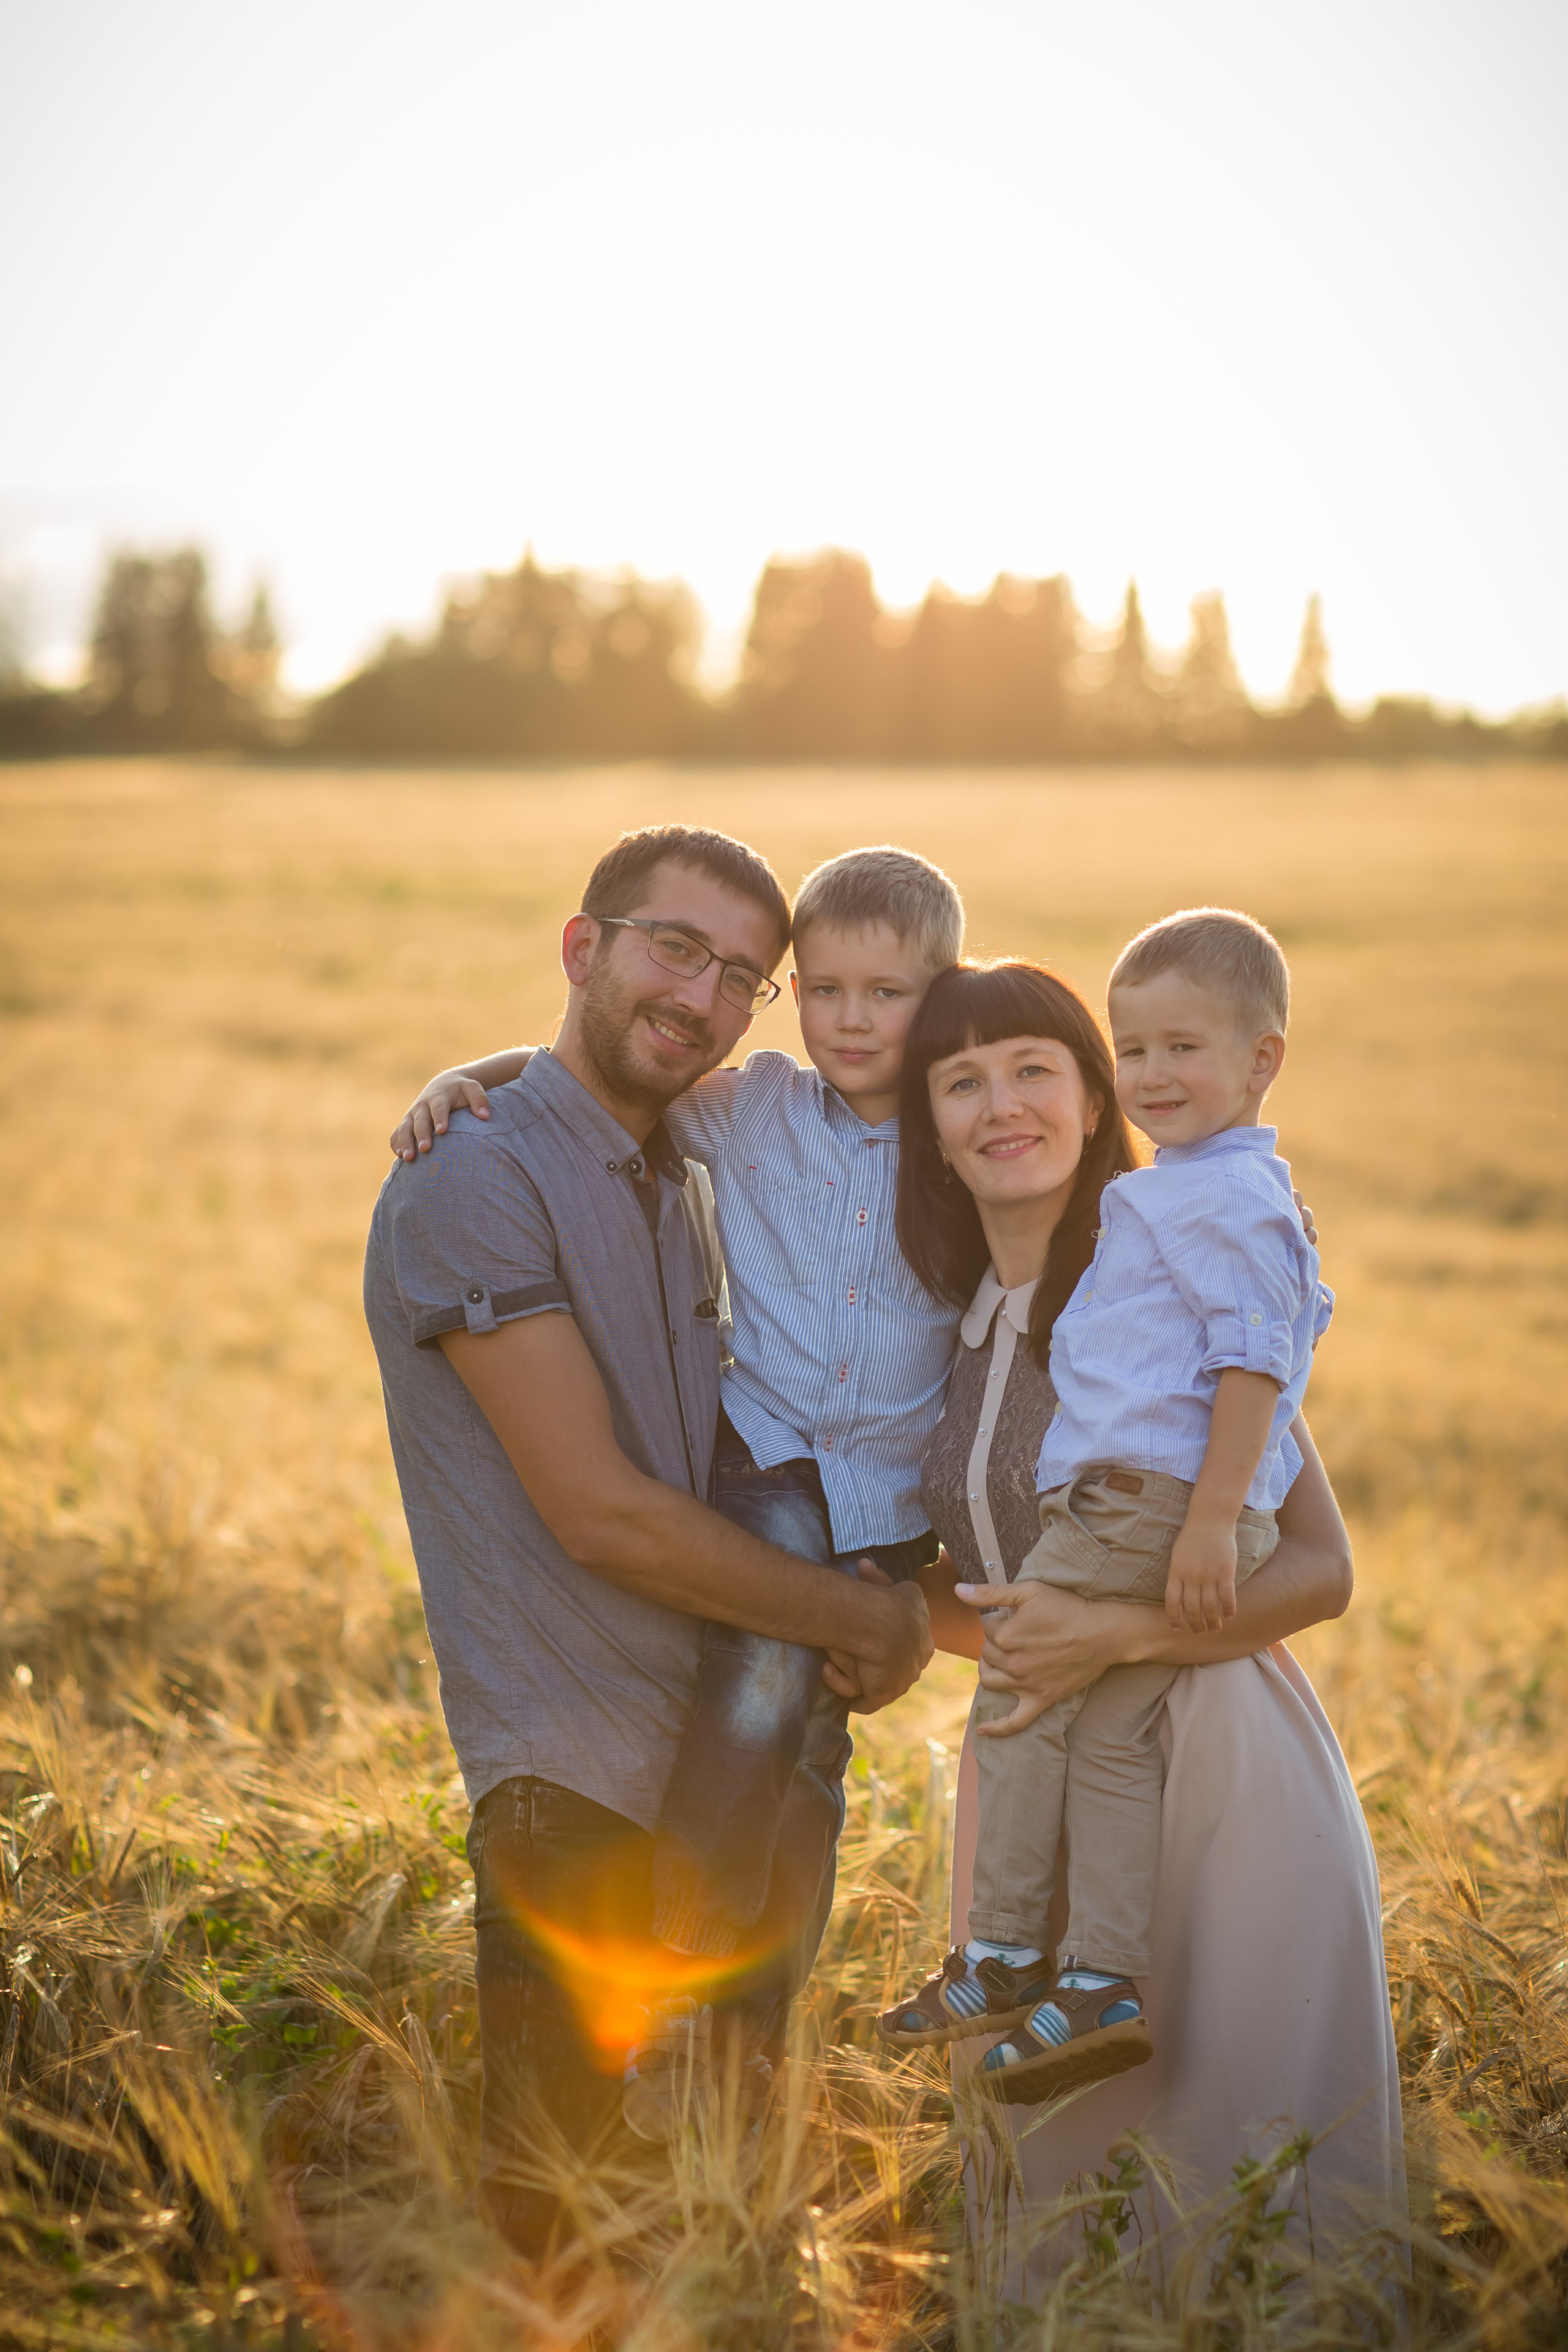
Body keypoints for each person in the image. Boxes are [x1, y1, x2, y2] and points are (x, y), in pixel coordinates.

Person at [362, 824, 932, 2256]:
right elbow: (598, 1510)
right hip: (584, 1790)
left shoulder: (683, 1167)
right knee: (562, 2236)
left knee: (719, 2229)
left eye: (743, 974)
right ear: (582, 947)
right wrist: (856, 1622)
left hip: (748, 1750)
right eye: (674, 948)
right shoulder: (470, 1181)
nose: (704, 995)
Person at [890, 957, 1403, 2278]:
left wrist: (1119, 1637)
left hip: (1210, 1749)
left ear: (1091, 1093)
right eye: (959, 1082)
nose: (998, 1106)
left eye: (1032, 1070)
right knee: (1066, 2215)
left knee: (1234, 2184)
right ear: (930, 1128)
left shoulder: (1164, 1276)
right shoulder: (943, 1326)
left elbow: (1317, 1569)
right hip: (1039, 1767)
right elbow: (999, 1594)